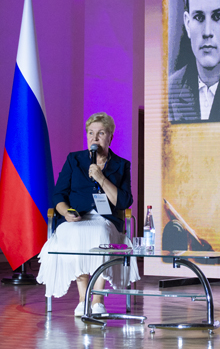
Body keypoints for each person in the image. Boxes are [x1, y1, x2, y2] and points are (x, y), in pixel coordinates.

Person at [36, 112, 139, 316]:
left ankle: (98, 299)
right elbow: (58, 195)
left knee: (100, 233)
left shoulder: (121, 165)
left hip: (105, 219)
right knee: (74, 234)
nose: (95, 137)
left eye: (101, 133)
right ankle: (84, 299)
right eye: (91, 133)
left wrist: (101, 178)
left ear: (110, 137)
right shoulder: (74, 159)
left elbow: (124, 201)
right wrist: (66, 213)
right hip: (75, 218)